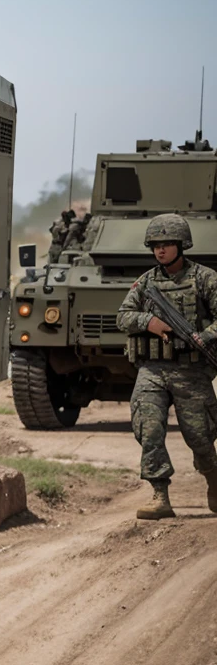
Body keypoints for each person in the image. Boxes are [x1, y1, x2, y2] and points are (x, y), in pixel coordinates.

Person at [116, 213, 217, 519]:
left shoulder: (204, 278)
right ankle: (160, 494)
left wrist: (205, 336)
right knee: (149, 428)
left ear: (181, 245)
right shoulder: (146, 282)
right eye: (155, 245)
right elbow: (123, 316)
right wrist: (150, 321)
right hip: (154, 370)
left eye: (167, 244)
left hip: (192, 370)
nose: (160, 251)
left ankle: (213, 476)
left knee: (200, 437)